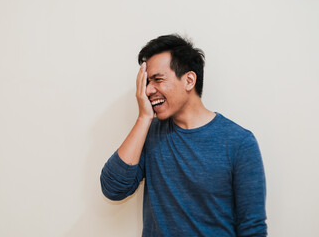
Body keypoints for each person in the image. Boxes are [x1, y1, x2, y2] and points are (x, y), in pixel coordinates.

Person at [100, 34, 267, 236]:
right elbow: (113, 189)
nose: (148, 90)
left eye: (157, 80)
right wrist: (144, 118)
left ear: (189, 80)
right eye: (146, 82)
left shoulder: (239, 142)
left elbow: (252, 228)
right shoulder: (149, 133)